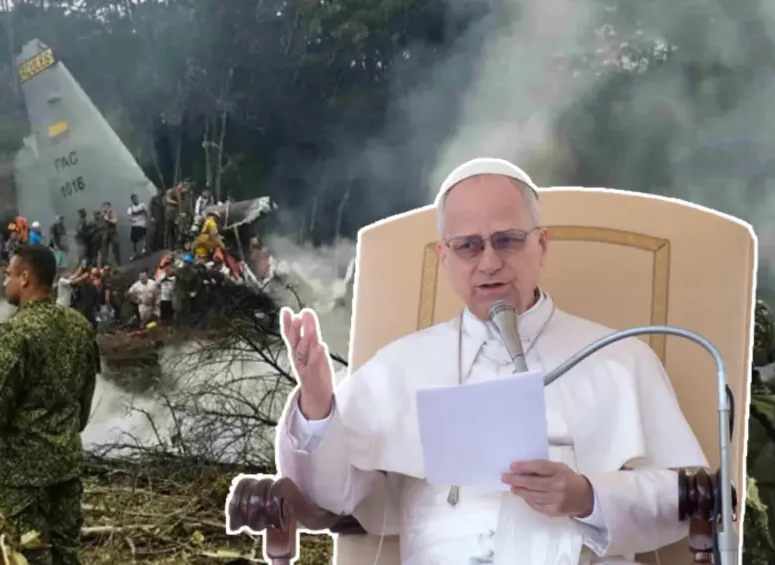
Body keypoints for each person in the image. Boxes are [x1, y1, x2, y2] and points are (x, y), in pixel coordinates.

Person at [274, 158, 708, 565]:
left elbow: (692, 496)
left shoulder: (618, 358)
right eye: (468, 246)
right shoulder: (402, 365)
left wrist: (589, 496)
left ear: (541, 244)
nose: (489, 262)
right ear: (445, 259)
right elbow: (333, 493)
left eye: (507, 240)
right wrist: (316, 404)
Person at [0, 244, 98, 565]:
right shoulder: (80, 327)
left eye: (8, 275)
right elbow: (84, 405)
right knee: (67, 553)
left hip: (24, 477)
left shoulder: (15, 332)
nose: (4, 282)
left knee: (28, 556)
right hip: (67, 466)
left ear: (25, 277)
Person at [127, 193, 149, 258]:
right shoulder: (130, 208)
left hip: (142, 224)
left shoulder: (142, 205)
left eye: (136, 198)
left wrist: (147, 220)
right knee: (134, 241)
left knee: (144, 237)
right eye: (134, 199)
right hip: (135, 225)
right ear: (132, 200)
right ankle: (134, 253)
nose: (135, 200)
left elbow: (146, 213)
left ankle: (144, 249)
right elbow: (129, 217)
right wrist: (131, 220)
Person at [100, 202, 120, 266]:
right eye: (105, 207)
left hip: (112, 232)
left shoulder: (113, 213)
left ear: (110, 207)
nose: (106, 209)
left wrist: (108, 219)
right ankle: (104, 264)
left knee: (116, 245)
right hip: (105, 232)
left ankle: (118, 262)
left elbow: (115, 221)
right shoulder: (102, 215)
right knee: (104, 249)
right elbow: (100, 224)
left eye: (107, 207)